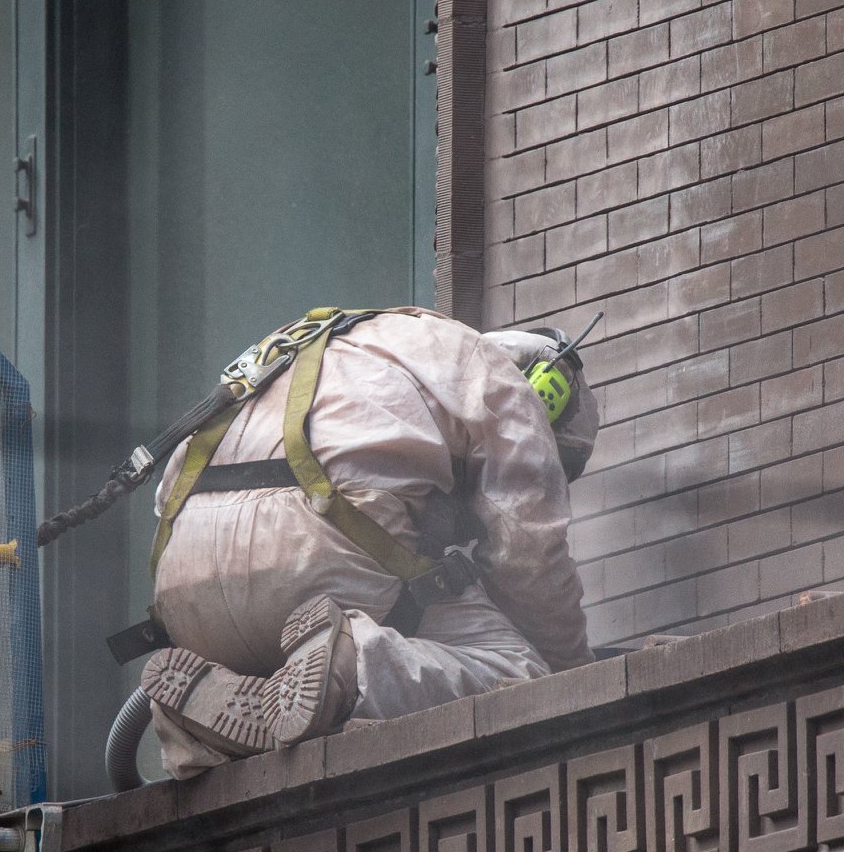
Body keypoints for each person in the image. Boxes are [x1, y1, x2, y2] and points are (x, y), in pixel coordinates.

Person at [138, 305, 598, 779]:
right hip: (311, 557)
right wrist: (576, 674)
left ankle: (192, 722)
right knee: (523, 674)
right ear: (547, 398)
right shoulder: (499, 377)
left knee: (275, 705)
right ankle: (350, 666)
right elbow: (529, 553)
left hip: (183, 593)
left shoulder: (330, 345)